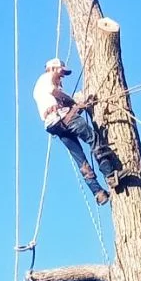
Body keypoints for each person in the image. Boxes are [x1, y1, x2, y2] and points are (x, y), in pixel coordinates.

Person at [32, 58, 118, 206]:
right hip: (62, 117)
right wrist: (74, 103)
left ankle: (98, 193)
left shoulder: (38, 88)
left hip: (53, 124)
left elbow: (54, 98)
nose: (62, 76)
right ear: (53, 68)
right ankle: (110, 174)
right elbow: (56, 93)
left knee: (80, 159)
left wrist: (76, 106)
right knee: (93, 138)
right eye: (61, 72)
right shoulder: (48, 77)